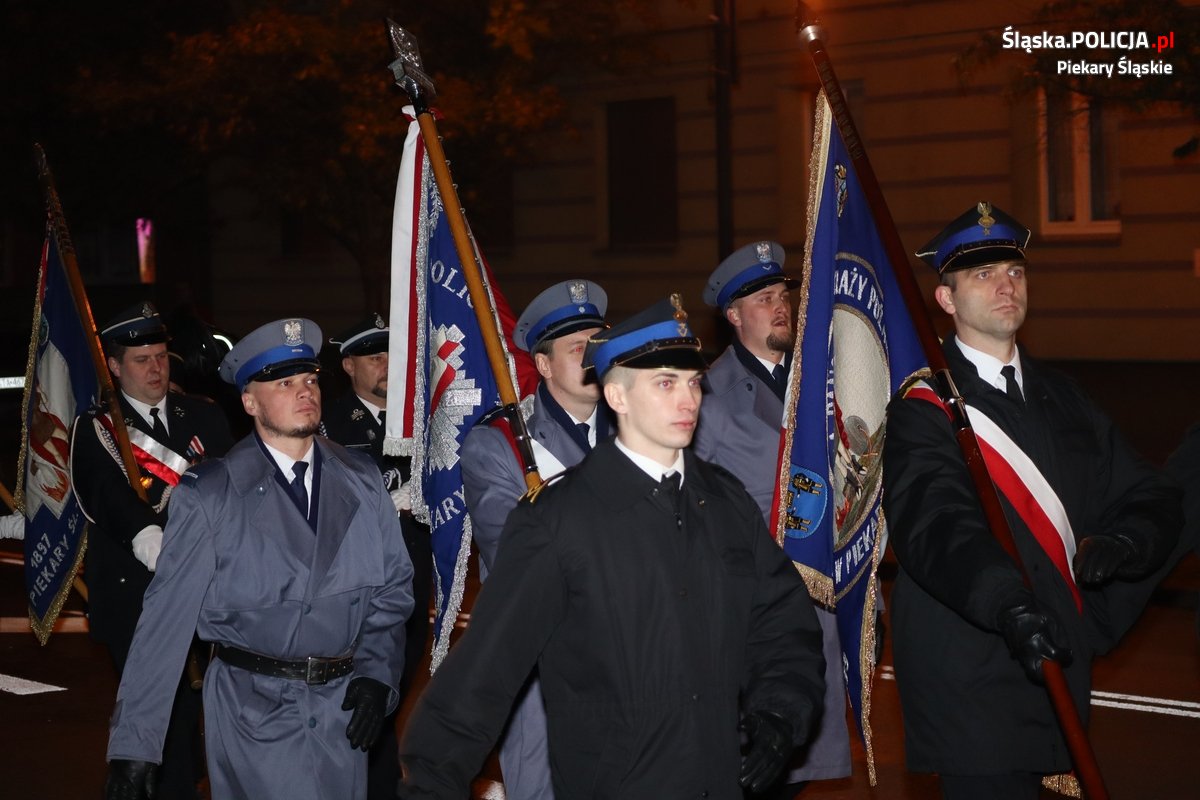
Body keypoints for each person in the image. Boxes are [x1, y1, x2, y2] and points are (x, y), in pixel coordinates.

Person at [398, 296, 826, 799]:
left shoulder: (725, 502)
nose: (687, 400)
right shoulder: (559, 521)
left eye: (692, 381)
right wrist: (430, 785)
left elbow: (782, 624)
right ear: (617, 398)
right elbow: (482, 676)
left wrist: (779, 710)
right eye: (665, 383)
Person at [883, 202, 1181, 799]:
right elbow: (936, 526)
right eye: (983, 275)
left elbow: (1146, 491)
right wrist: (1006, 603)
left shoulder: (1062, 395)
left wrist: (1127, 541)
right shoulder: (924, 408)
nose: (1005, 286)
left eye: (1014, 272)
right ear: (946, 300)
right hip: (974, 668)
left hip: (1058, 663)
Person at [104, 317, 415, 800]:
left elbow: (391, 591)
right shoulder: (212, 495)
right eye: (284, 383)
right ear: (250, 402)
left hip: (342, 712)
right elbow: (165, 622)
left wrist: (377, 673)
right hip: (254, 711)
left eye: (309, 379)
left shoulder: (361, 477)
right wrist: (134, 745)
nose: (305, 392)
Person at [693, 241, 852, 794]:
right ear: (734, 316)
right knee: (753, 769)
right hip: (755, 615)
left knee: (799, 765)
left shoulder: (822, 381)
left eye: (782, 291)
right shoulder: (707, 398)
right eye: (762, 298)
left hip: (826, 602)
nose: (779, 303)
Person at [71, 302, 233, 800]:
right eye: (141, 360)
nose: (156, 368)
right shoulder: (97, 429)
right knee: (163, 713)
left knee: (211, 708)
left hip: (211, 588)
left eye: (161, 356)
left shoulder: (202, 414)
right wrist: (151, 539)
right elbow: (108, 497)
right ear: (115, 367)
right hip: (138, 594)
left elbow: (235, 485)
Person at [460, 279, 611, 799]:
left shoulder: (641, 430)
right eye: (577, 348)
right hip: (546, 665)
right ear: (543, 366)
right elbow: (515, 558)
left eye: (599, 343)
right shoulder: (500, 444)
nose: (594, 356)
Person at [323, 312, 433, 800]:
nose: (388, 365)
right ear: (349, 366)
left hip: (411, 581)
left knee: (393, 691)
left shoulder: (425, 423)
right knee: (353, 696)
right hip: (352, 584)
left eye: (394, 355)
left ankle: (380, 786)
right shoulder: (325, 424)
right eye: (374, 357)